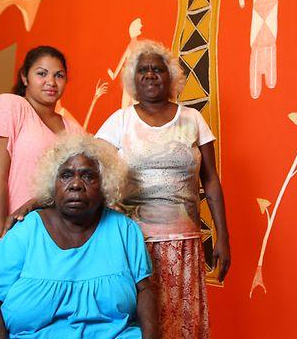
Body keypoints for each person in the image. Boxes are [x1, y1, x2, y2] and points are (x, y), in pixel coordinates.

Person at [95, 39, 230, 338]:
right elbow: (91, 170)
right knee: (143, 322)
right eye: (143, 69)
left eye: (158, 68)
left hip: (185, 244)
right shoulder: (119, 122)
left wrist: (223, 237)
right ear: (133, 78)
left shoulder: (193, 119)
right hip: (135, 244)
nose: (150, 74)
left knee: (183, 324)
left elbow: (211, 181)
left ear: (171, 76)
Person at [0, 134, 157, 338]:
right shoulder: (25, 230)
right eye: (66, 175)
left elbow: (144, 290)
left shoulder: (125, 230)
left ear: (105, 184)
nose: (76, 184)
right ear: (53, 184)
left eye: (88, 176)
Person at [0, 45, 82, 277]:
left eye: (59, 75)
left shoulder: (73, 128)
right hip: (17, 234)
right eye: (42, 73)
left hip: (62, 238)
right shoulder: (9, 106)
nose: (51, 81)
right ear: (25, 77)